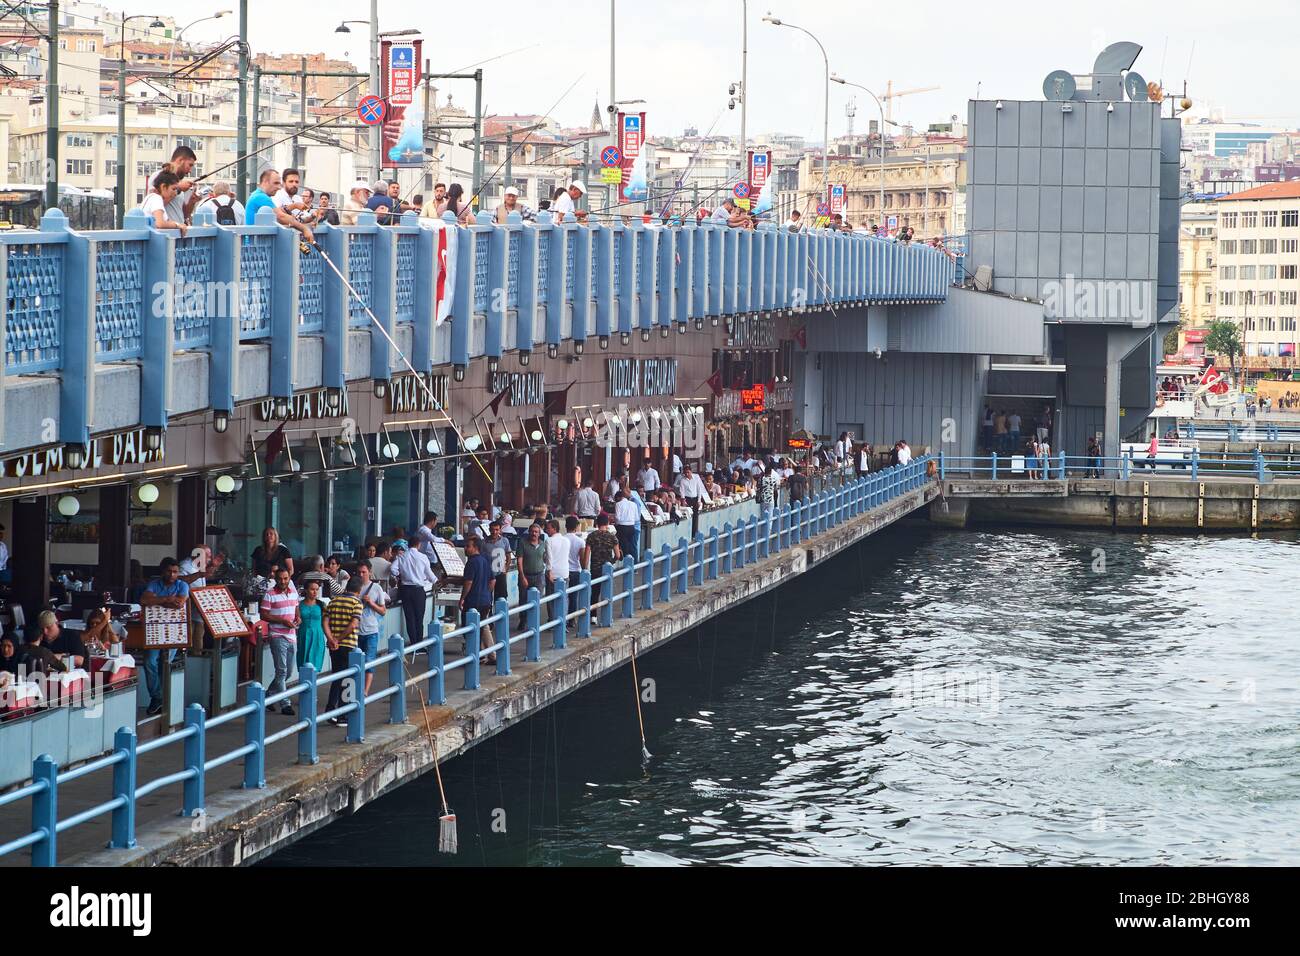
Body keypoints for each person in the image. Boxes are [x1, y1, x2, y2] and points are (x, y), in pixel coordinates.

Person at [140, 558, 191, 717]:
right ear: (162, 571)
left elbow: (180, 603)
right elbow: (144, 600)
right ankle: (157, 697)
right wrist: (167, 599)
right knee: (150, 661)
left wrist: (157, 601)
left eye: (175, 571)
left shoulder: (182, 585)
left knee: (166, 663)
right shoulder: (155, 584)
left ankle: (163, 699)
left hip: (175, 630)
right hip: (155, 629)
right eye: (169, 571)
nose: (172, 574)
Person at [259, 565, 301, 716]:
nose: (283, 581)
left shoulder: (293, 593)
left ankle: (268, 696)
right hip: (277, 635)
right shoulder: (269, 594)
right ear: (275, 579)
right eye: (280, 579)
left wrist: (298, 618)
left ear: (289, 578)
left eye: (286, 578)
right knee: (282, 671)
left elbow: (296, 608)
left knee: (287, 672)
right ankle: (285, 704)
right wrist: (282, 621)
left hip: (291, 635)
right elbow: (263, 615)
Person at [322, 577, 363, 725]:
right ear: (358, 591)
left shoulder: (333, 601)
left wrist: (331, 639)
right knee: (347, 680)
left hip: (334, 647)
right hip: (348, 645)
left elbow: (325, 622)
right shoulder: (356, 603)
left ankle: (330, 709)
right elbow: (353, 624)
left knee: (336, 677)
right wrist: (338, 639)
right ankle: (342, 714)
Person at [245, 168, 314, 242]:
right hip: (253, 245)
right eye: (275, 183)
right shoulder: (261, 197)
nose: (279, 187)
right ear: (265, 182)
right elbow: (281, 216)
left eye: (279, 184)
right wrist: (304, 229)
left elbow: (277, 212)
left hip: (255, 244)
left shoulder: (258, 195)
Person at [392, 539, 438, 645]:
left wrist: (400, 574)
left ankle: (413, 643)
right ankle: (419, 643)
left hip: (405, 590)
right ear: (418, 544)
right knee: (419, 617)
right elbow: (429, 574)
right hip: (418, 591)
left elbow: (393, 569)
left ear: (409, 545)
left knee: (409, 617)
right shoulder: (423, 557)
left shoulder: (402, 557)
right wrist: (437, 581)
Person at [459, 536, 497, 665]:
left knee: (470, 629)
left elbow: (468, 582)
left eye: (468, 546)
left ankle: (477, 656)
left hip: (473, 601)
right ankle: (492, 655)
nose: (465, 548)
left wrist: (462, 598)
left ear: (475, 547)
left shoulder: (471, 562)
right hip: (485, 600)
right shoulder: (485, 560)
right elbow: (492, 580)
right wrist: (486, 592)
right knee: (483, 626)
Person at [352, 560, 387, 694]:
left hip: (371, 630)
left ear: (370, 572)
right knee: (356, 662)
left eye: (364, 572)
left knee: (369, 661)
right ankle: (357, 689)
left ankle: (365, 691)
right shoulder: (353, 587)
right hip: (355, 631)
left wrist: (371, 603)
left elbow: (383, 611)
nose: (361, 575)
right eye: (359, 572)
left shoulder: (376, 588)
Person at [150, 146, 199, 224]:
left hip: (179, 231)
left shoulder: (178, 181)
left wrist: (191, 202)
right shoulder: (158, 176)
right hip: (166, 231)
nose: (190, 170)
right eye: (190, 165)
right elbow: (154, 204)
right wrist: (178, 188)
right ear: (180, 160)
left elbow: (184, 214)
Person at [543, 519, 571, 628]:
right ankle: (563, 621)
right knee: (564, 598)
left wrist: (549, 571)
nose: (546, 530)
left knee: (551, 599)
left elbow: (549, 558)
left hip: (553, 572)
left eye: (548, 528)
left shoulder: (549, 540)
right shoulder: (566, 540)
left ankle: (553, 620)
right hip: (564, 572)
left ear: (554, 528)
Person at [142, 170, 189, 235]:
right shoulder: (156, 199)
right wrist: (177, 225)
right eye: (173, 189)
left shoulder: (151, 197)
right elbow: (160, 223)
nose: (175, 193)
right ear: (163, 187)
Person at [483, 520, 514, 603]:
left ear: (500, 530)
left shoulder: (505, 541)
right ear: (489, 530)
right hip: (488, 574)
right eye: (492, 530)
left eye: (497, 530)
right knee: (487, 596)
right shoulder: (484, 542)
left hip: (500, 573)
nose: (494, 532)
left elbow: (508, 556)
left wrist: (506, 569)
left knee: (501, 596)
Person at [516, 523, 548, 597]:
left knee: (537, 600)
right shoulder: (522, 543)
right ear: (529, 532)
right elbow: (519, 560)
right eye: (532, 531)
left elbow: (545, 558)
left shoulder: (542, 544)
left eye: (536, 532)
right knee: (523, 601)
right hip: (525, 576)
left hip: (539, 576)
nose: (534, 533)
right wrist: (522, 577)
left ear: (539, 534)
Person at [614, 487, 641, 560]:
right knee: (631, 546)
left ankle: (626, 562)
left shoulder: (618, 504)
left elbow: (617, 518)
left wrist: (616, 522)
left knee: (623, 546)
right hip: (632, 527)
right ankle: (633, 564)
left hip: (622, 527)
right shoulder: (633, 504)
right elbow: (636, 518)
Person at [564, 516, 586, 590]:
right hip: (575, 570)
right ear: (576, 527)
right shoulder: (580, 541)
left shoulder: (562, 539)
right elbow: (582, 559)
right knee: (574, 597)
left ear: (565, 526)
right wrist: (584, 570)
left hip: (564, 570)